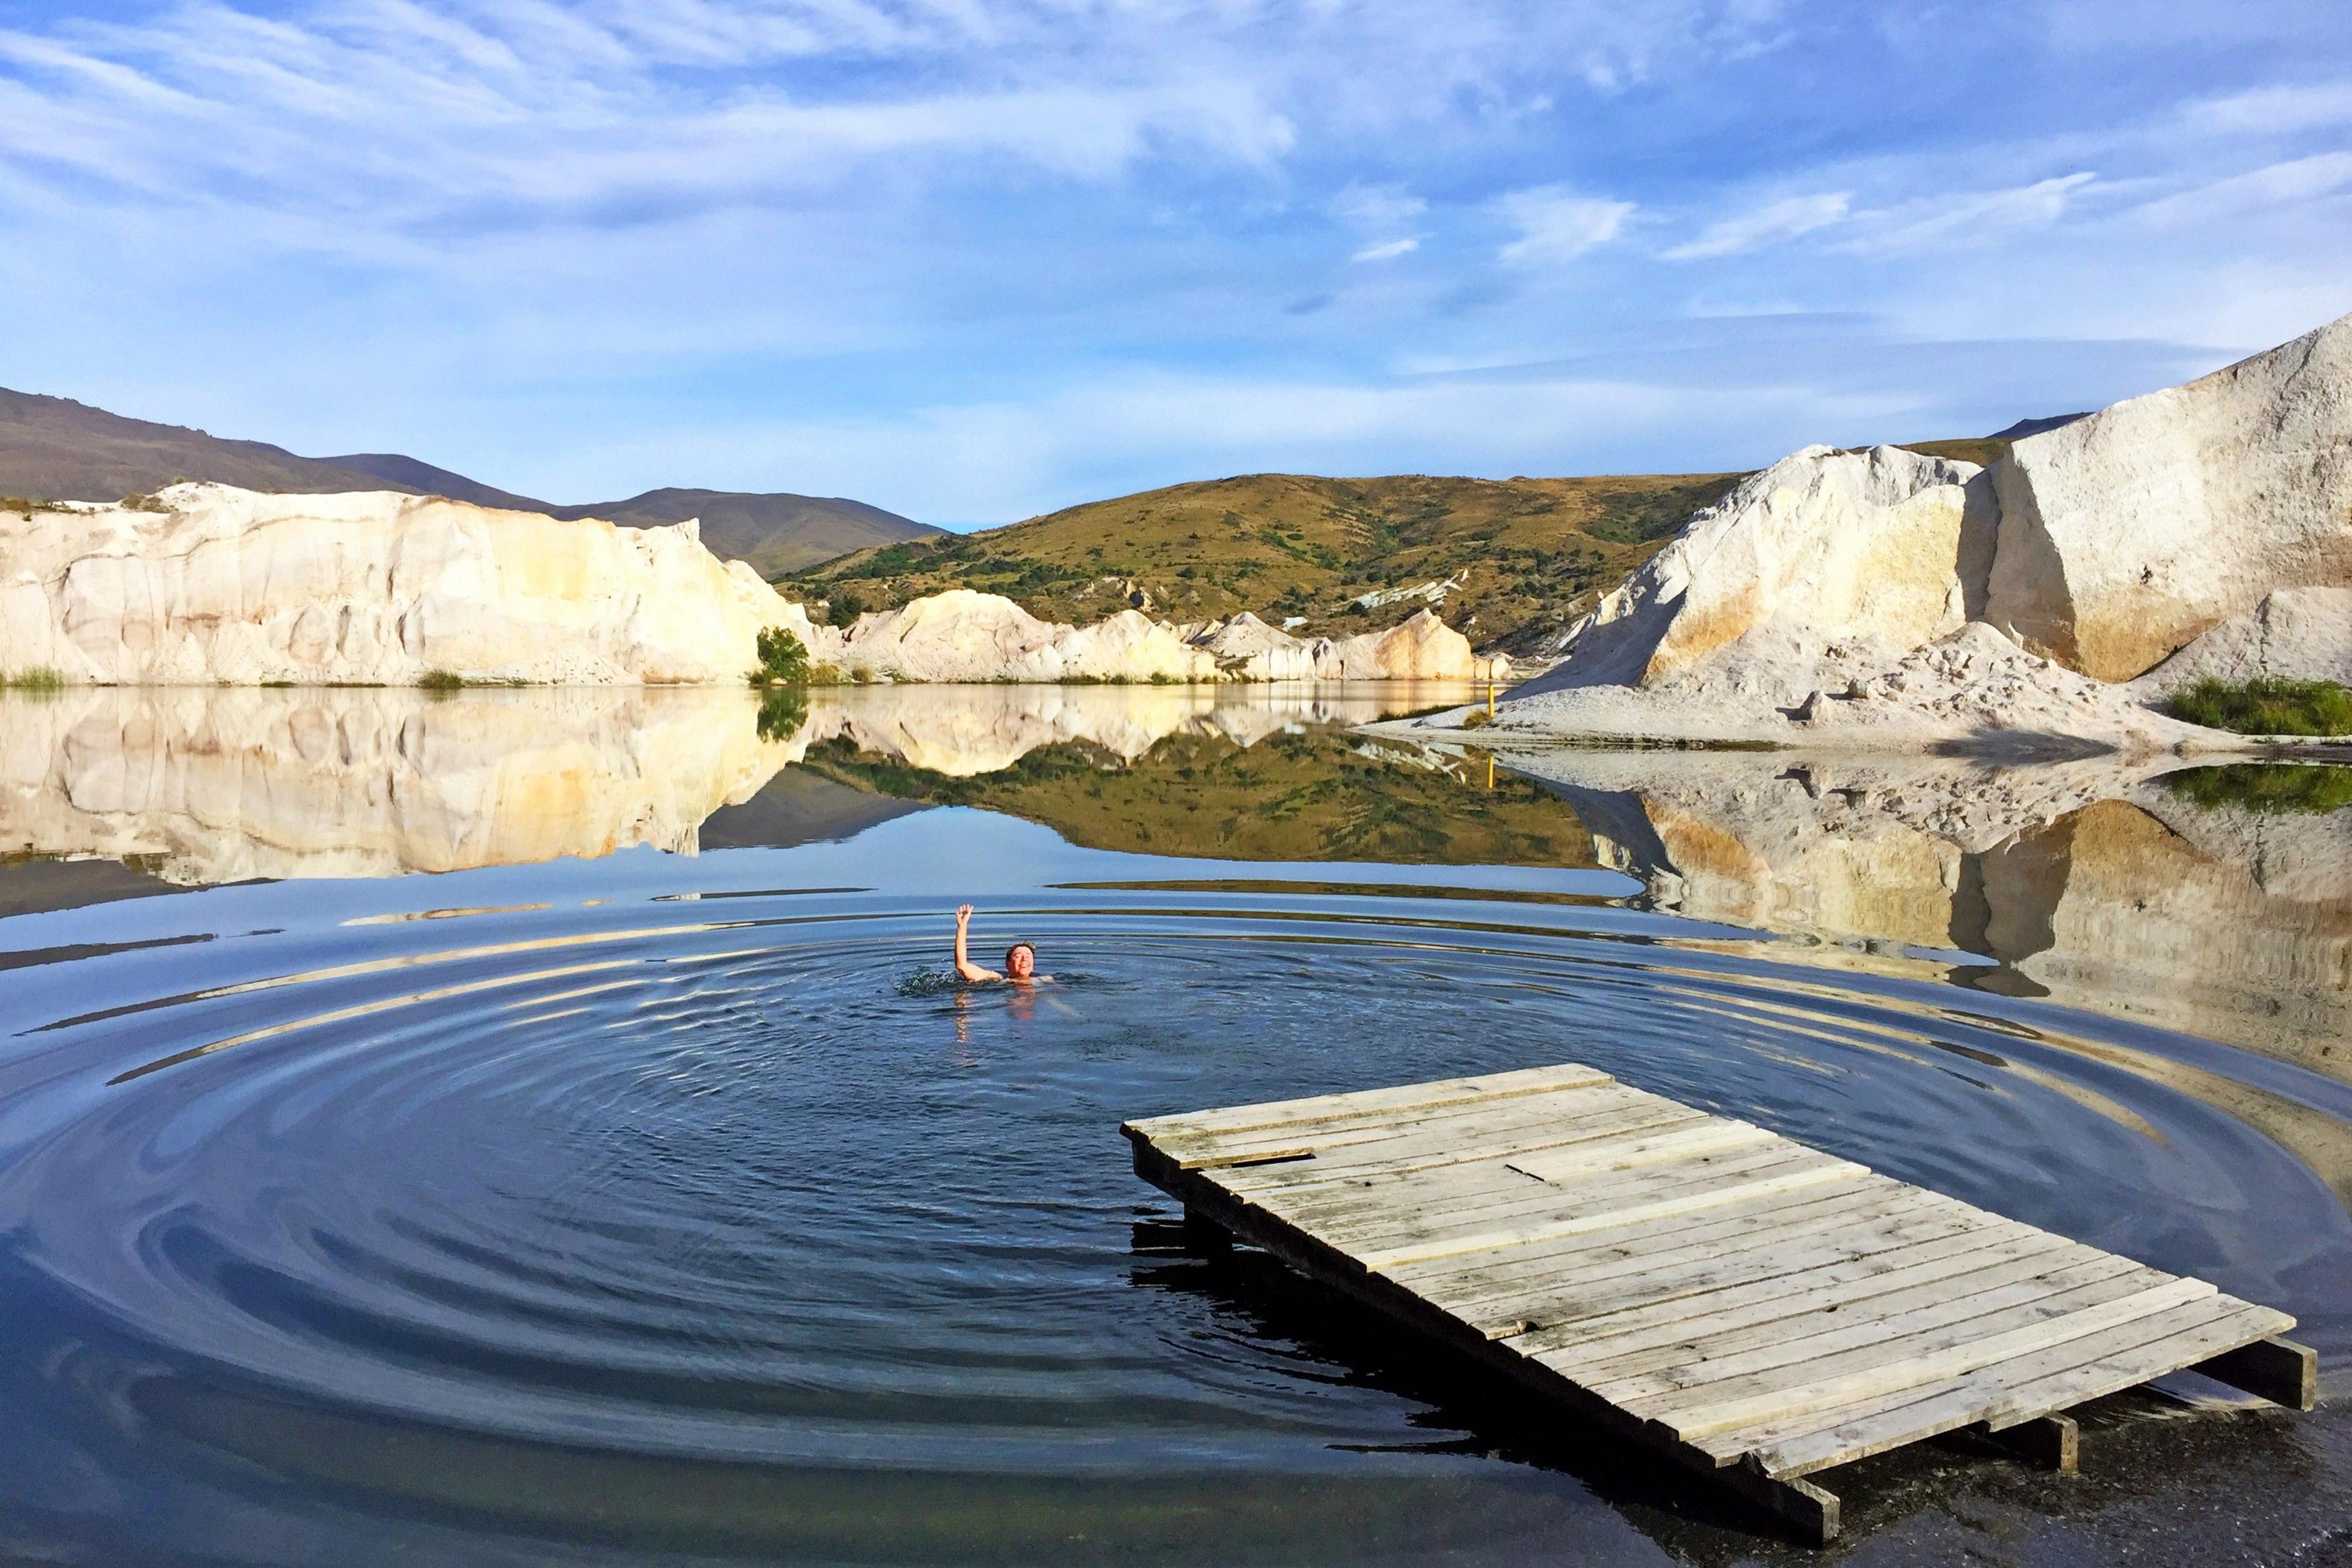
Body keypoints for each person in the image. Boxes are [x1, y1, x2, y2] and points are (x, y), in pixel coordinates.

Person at [954, 903, 1050, 984]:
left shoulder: (1044, 981)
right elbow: (962, 966)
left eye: (1028, 956)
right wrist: (962, 926)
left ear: (1033, 964)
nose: (1024, 959)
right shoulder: (997, 979)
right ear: (1007, 965)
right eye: (1018, 956)